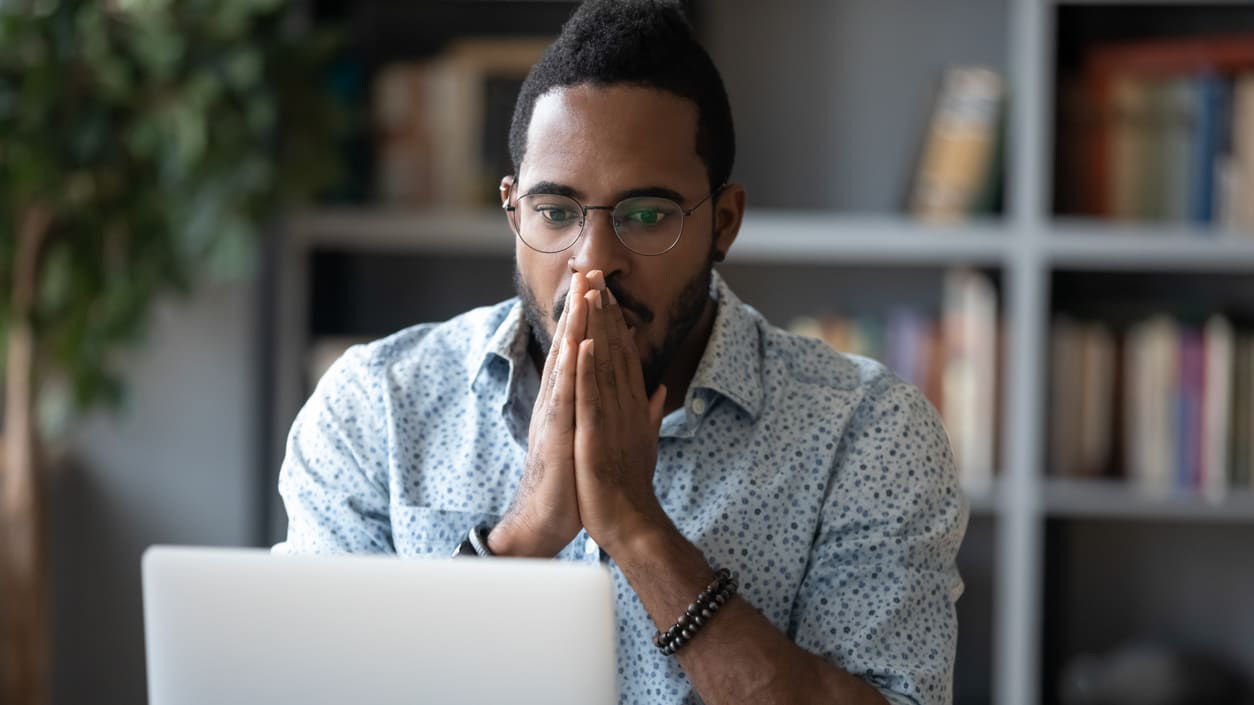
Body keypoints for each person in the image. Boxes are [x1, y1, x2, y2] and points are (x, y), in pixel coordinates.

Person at [274, 2, 968, 704]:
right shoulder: (375, 408)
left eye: (646, 216)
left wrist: (637, 529)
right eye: (556, 213)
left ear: (723, 222)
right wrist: (522, 536)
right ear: (513, 211)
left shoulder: (867, 432)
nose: (594, 262)